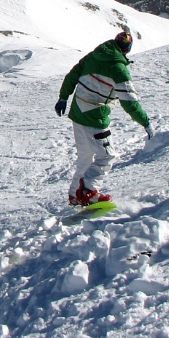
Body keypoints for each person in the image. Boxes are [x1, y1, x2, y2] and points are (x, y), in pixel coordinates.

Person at [55, 31, 153, 207]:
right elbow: (130, 103)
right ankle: (89, 193)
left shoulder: (93, 56)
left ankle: (75, 194)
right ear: (128, 49)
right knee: (107, 155)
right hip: (95, 118)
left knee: (85, 158)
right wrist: (145, 122)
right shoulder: (118, 69)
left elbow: (72, 76)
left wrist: (63, 98)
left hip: (77, 114)